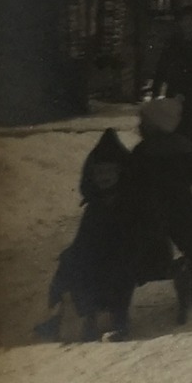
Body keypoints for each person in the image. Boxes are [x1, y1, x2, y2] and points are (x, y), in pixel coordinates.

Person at [35, 129, 136, 343]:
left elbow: (140, 234)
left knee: (117, 270)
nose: (104, 177)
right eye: (99, 173)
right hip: (102, 252)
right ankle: (65, 315)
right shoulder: (95, 206)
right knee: (72, 261)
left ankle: (119, 321)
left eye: (110, 171)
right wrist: (73, 255)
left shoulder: (131, 201)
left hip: (132, 251)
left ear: (120, 172)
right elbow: (85, 238)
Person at [123, 97, 192, 328]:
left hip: (151, 209)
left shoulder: (141, 151)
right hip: (182, 207)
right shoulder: (183, 146)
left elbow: (132, 179)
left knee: (155, 242)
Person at [149, 5, 192, 148]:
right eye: (185, 20)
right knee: (179, 132)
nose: (188, 24)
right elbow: (162, 65)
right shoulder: (174, 41)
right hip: (178, 92)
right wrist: (155, 90)